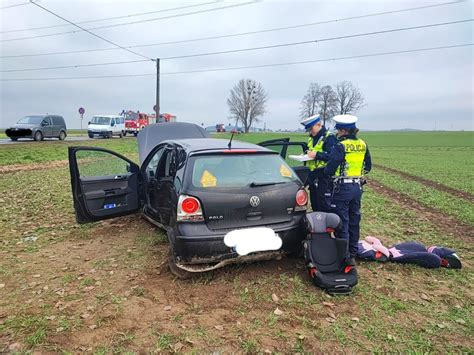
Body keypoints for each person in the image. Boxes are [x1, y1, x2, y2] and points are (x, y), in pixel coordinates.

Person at [324, 114, 372, 266]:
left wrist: (327, 171)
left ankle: (344, 256)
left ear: (344, 131)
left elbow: (330, 169)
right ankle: (352, 252)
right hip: (357, 187)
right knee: (354, 220)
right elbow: (368, 166)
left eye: (338, 130)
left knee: (342, 222)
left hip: (342, 188)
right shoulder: (363, 144)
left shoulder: (341, 146)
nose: (337, 133)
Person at [300, 115, 337, 212]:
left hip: (324, 177)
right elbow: (311, 151)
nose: (310, 131)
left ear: (319, 124)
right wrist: (305, 154)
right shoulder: (312, 138)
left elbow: (332, 157)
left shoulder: (329, 137)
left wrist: (316, 155)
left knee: (324, 206)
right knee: (315, 205)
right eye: (308, 129)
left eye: (311, 128)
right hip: (313, 177)